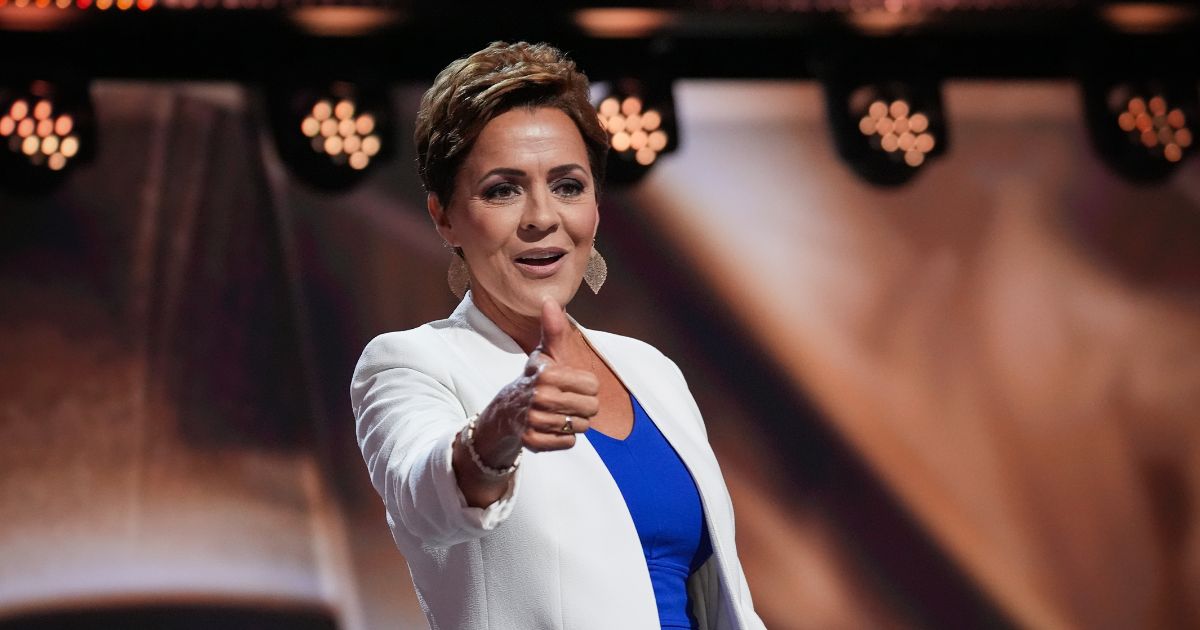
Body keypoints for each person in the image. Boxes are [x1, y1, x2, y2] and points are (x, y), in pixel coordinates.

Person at [351, 41, 765, 629]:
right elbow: (424, 496)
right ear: (444, 216)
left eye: (568, 185)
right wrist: (494, 436)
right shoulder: (409, 363)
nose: (543, 216)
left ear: (595, 206)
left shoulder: (650, 369)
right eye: (502, 189)